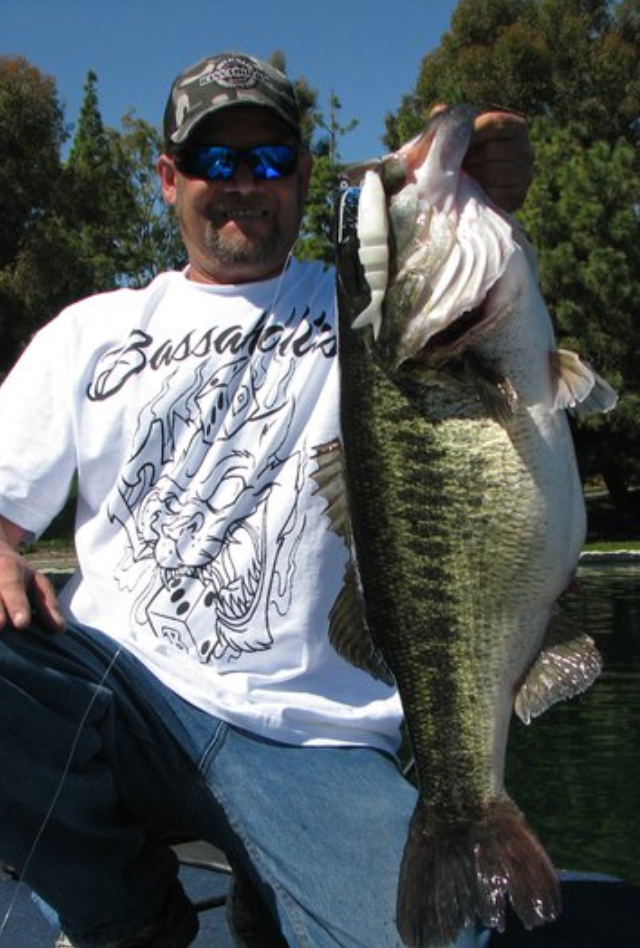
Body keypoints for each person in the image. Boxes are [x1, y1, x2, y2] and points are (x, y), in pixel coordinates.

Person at [0, 52, 534, 948]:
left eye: (271, 159)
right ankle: (128, 917)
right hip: (119, 701)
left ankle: (268, 885)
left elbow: (465, 289)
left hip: (314, 738)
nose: (243, 182)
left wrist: (480, 182)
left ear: (306, 176)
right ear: (168, 178)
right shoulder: (90, 332)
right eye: (215, 159)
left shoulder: (374, 309)